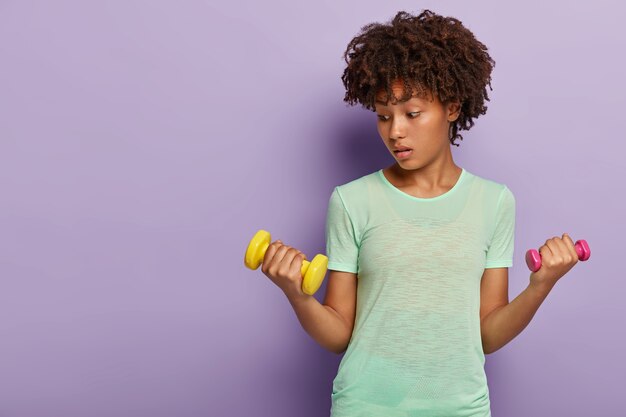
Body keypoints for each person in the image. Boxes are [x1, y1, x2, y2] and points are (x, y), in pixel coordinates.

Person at [261, 9, 580, 416]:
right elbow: (340, 332)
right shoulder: (351, 201)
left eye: (411, 113)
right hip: (366, 406)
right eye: (383, 115)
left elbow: (486, 333)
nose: (394, 131)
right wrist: (297, 294)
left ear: (451, 107)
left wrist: (541, 285)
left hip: (460, 408)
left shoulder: (494, 201)